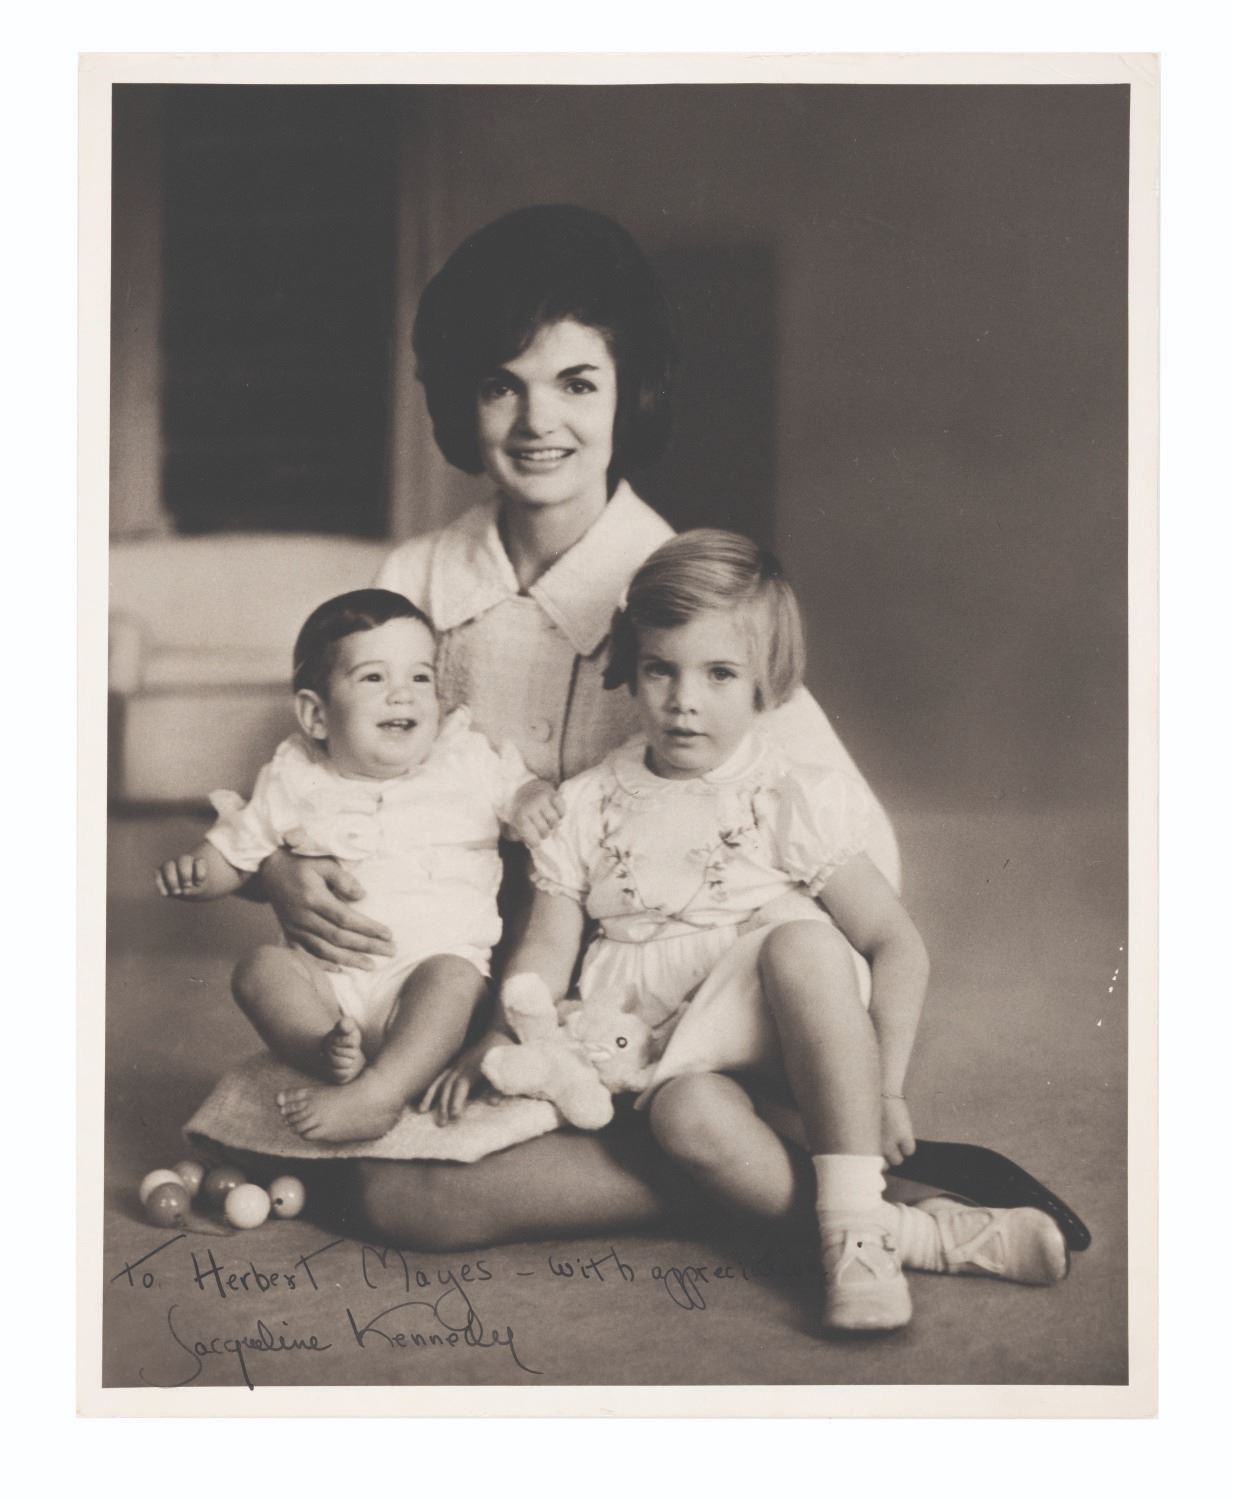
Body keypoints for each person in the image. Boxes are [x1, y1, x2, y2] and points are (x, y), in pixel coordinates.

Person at [252, 205, 1062, 1253]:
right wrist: (278, 868)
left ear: (627, 390)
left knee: (424, 1193)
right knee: (385, 1191)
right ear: (462, 397)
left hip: (681, 1003)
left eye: (576, 383)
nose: (538, 421)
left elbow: (849, 860)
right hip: (495, 997)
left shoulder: (683, 599)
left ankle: (822, 1178)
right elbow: (336, 767)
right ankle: (757, 1169)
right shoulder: (418, 579)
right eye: (502, 385)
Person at [436, 531, 1067, 1332]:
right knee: (686, 1120)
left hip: (787, 1030)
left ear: (766, 682)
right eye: (660, 668)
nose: (683, 700)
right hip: (664, 1056)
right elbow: (546, 949)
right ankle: (905, 1235)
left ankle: (855, 1218)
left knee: (800, 941)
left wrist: (884, 1089)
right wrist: (498, 1034)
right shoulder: (590, 803)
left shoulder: (782, 795)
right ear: (630, 666)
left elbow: (893, 943)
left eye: (719, 674)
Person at [157, 588, 561, 1144]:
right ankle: (324, 1050)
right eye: (374, 677)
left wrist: (533, 797)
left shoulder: (463, 760)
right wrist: (201, 874)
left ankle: (381, 1093)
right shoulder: (295, 775)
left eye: (420, 677)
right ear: (316, 714)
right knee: (259, 970)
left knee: (455, 978)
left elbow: (518, 790)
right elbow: (238, 848)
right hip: (329, 983)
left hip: (424, 975)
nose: (402, 694)